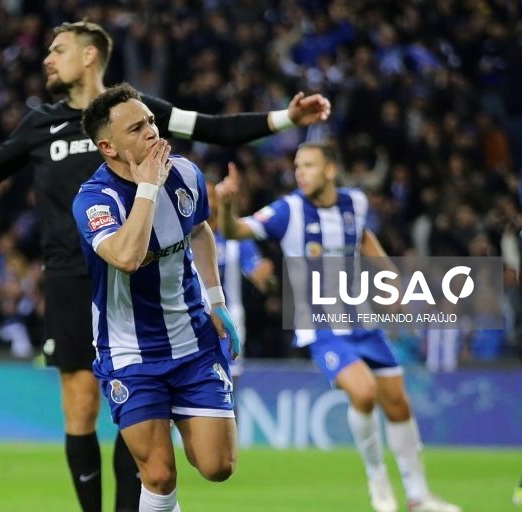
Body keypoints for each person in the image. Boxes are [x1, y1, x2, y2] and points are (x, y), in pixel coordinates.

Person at [0, 20, 330, 512]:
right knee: (82, 408)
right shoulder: (42, 125)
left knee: (167, 450)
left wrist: (284, 119)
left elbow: (210, 127)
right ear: (107, 146)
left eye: (58, 50)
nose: (47, 60)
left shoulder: (141, 117)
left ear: (90, 56)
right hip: (75, 279)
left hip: (160, 288)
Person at [216, 142, 461, 512]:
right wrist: (230, 204)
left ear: (330, 170)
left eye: (309, 165)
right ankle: (377, 479)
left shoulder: (355, 203)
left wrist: (392, 278)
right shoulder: (288, 210)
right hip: (321, 326)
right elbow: (234, 231)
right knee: (363, 393)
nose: (300, 172)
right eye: (297, 166)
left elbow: (362, 237)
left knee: (398, 405)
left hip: (363, 320)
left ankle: (418, 496)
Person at [73, 83, 239, 512]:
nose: (151, 131)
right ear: (108, 147)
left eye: (150, 120)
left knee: (219, 465)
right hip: (130, 352)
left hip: (193, 342)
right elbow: (126, 257)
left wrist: (216, 299)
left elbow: (200, 229)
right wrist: (146, 188)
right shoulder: (96, 199)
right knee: (160, 474)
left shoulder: (184, 173)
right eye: (136, 128)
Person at [204, 169, 274, 383]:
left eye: (209, 196)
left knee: (228, 388)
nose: (204, 202)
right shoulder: (181, 235)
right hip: (188, 321)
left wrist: (267, 278)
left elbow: (264, 282)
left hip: (228, 322)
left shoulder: (236, 237)